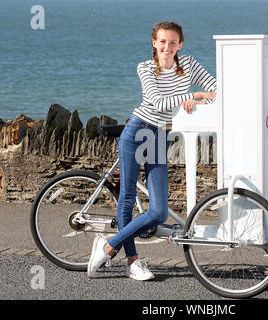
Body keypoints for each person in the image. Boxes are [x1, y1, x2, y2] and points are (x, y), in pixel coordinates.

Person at [87, 21, 216, 280]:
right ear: (154, 43)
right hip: (137, 132)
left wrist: (200, 96)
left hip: (160, 136)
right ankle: (132, 262)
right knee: (126, 198)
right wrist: (188, 97)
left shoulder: (188, 65)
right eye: (162, 41)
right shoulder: (145, 68)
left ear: (180, 45)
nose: (167, 47)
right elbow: (157, 102)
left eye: (172, 42)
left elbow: (216, 89)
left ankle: (108, 245)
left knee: (157, 212)